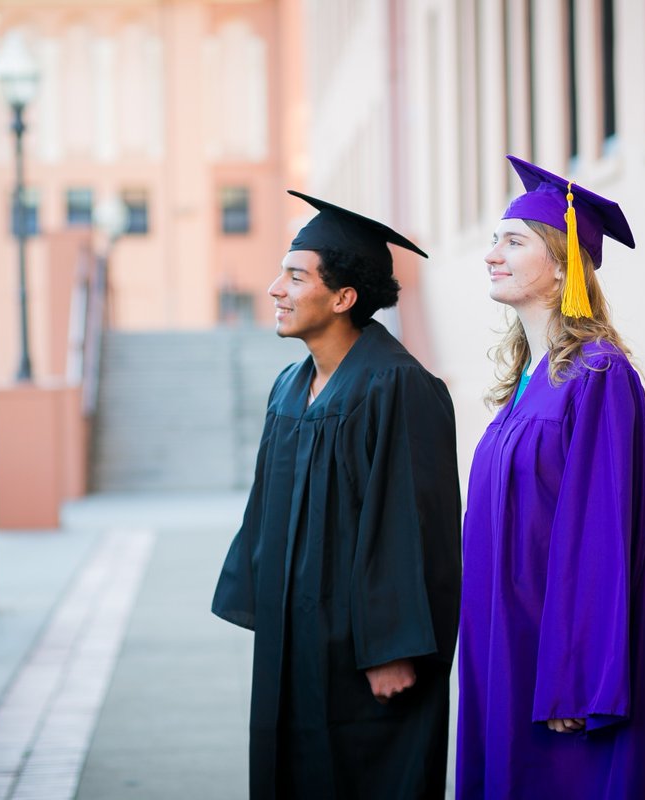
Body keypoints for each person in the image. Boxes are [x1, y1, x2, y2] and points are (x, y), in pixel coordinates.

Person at [211, 190, 461, 800]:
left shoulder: (399, 386)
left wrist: (395, 648)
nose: (274, 289)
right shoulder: (289, 389)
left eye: (295, 276)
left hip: (365, 656)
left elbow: (416, 526)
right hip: (295, 641)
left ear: (344, 297)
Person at [456, 155, 645, 799]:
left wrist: (575, 676)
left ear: (562, 264)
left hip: (558, 665)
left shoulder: (598, 377)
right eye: (494, 239)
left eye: (513, 241)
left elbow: (601, 536)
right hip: (504, 649)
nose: (492, 253)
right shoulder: (526, 382)